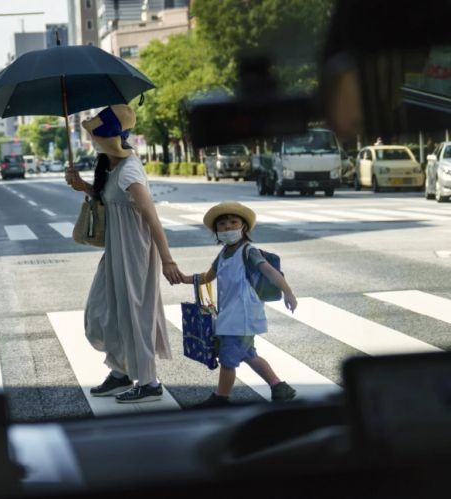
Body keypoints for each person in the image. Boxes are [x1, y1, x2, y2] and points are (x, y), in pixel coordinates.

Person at [65, 104, 184, 403]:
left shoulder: (130, 169)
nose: (92, 140)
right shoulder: (109, 166)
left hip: (135, 250)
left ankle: (148, 382)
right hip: (116, 248)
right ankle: (120, 371)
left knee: (135, 314)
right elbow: (110, 201)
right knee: (102, 309)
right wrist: (84, 186)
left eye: (95, 135)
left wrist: (167, 259)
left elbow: (151, 217)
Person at [181, 202, 299, 408]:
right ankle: (279, 387)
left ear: (244, 227)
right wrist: (184, 278)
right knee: (248, 354)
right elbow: (208, 276)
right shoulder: (224, 253)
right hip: (231, 315)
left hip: (242, 316)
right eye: (222, 224)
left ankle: (221, 398)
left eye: (233, 222)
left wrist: (288, 292)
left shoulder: (248, 251)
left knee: (227, 360)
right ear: (216, 231)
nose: (228, 227)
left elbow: (269, 271)